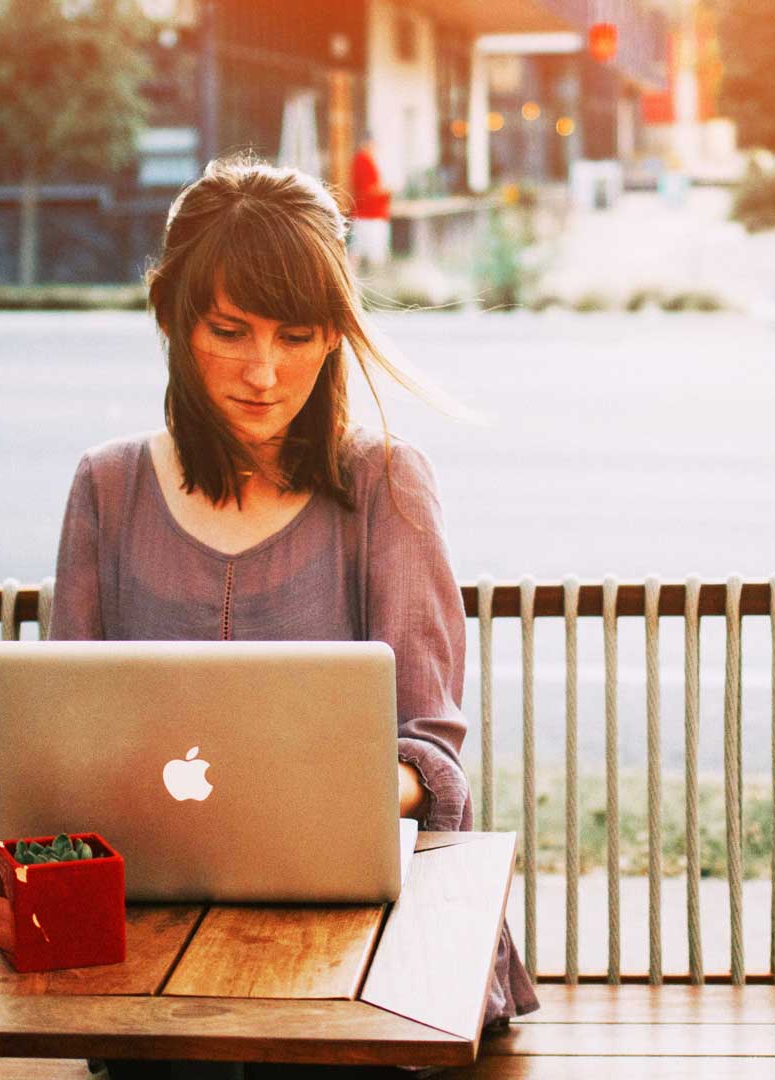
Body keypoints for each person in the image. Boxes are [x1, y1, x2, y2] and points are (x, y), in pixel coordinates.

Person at [51, 156, 537, 1079]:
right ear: (170, 316)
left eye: (298, 335)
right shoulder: (107, 489)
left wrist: (294, 807)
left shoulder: (385, 483)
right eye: (228, 331)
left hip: (363, 948)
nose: (264, 374)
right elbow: (63, 742)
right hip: (156, 940)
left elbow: (431, 759)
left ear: (334, 336)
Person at [348, 136, 393, 270]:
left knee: (358, 249)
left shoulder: (367, 161)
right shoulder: (362, 160)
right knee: (371, 250)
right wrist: (386, 191)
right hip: (368, 215)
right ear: (368, 145)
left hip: (371, 214)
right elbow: (369, 189)